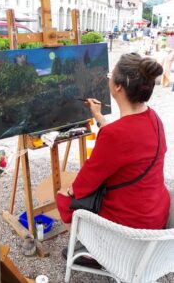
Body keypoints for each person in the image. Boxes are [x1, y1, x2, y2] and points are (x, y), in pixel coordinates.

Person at [57, 53, 170, 266]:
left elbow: (86, 180)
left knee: (64, 196)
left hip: (129, 228)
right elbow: (127, 141)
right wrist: (99, 117)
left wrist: (68, 192)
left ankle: (101, 253)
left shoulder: (115, 136)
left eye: (110, 75)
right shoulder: (154, 117)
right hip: (155, 213)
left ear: (118, 87)